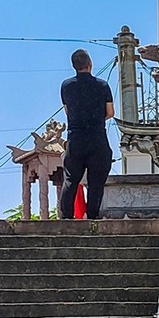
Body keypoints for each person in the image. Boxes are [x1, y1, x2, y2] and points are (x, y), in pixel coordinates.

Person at [59, 50, 115, 219]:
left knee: (71, 179)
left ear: (74, 66)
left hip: (76, 137)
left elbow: (68, 112)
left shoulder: (66, 86)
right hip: (97, 136)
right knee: (96, 181)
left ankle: (66, 217)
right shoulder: (102, 85)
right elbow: (110, 112)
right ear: (90, 64)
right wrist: (97, 119)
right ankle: (92, 216)